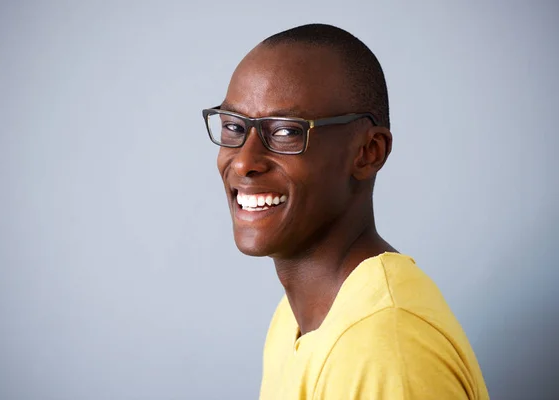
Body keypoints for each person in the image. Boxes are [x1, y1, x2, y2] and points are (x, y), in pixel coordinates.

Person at [202, 23, 489, 400]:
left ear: (369, 152)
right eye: (234, 126)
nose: (244, 162)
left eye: (287, 131)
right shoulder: (294, 320)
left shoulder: (384, 347)